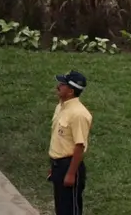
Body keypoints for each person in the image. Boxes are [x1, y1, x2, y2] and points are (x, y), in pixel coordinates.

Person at [48, 70, 92, 215]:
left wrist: (71, 173)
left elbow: (79, 145)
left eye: (62, 84)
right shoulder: (61, 106)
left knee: (70, 210)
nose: (58, 86)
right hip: (58, 166)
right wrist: (53, 166)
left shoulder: (79, 114)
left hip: (69, 166)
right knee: (61, 209)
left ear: (71, 91)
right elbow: (59, 139)